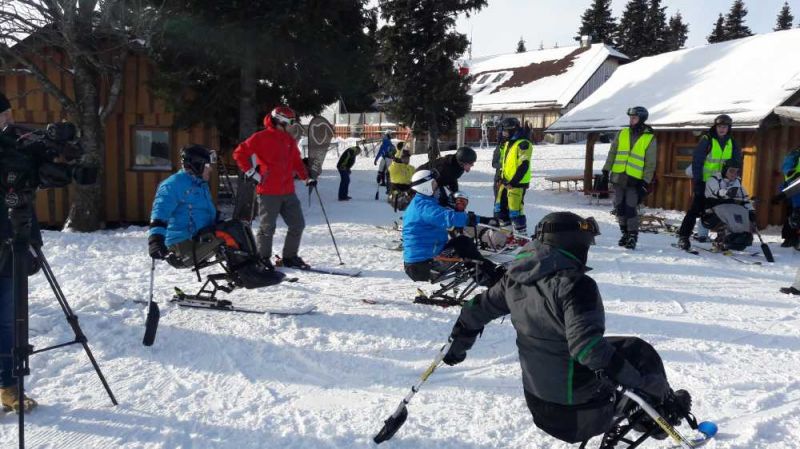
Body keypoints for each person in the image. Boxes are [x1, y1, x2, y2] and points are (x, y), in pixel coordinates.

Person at [442, 212, 692, 444]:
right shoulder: (575, 285)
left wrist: (457, 347)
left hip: (540, 407)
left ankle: (654, 408)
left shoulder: (515, 277)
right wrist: (644, 384)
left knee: (630, 346)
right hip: (578, 415)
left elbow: (474, 311)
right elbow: (588, 350)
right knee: (640, 355)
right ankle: (660, 417)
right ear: (572, 243)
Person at [149, 145, 285, 288]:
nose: (211, 169)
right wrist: (155, 240)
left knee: (239, 225)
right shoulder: (173, 185)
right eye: (208, 165)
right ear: (197, 165)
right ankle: (250, 276)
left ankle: (254, 268)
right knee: (230, 230)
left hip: (198, 239)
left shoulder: (200, 185)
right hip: (182, 248)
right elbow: (159, 212)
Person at [233, 106, 316, 270]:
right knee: (267, 228)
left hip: (288, 191)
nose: (293, 125)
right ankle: (262, 259)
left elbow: (296, 162)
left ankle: (290, 257)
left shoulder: (289, 140)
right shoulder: (261, 137)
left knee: (297, 224)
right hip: (269, 192)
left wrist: (306, 178)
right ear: (281, 121)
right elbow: (239, 153)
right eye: (291, 122)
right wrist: (251, 172)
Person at [0, 92, 39, 412]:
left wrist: (33, 244)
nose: (9, 122)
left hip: (12, 245)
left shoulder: (14, 152)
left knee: (9, 322)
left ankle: (7, 385)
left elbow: (23, 200)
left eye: (10, 115)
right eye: (4, 116)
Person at [402, 170, 499, 286]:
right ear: (425, 187)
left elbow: (451, 213)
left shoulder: (425, 202)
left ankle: (490, 272)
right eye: (434, 184)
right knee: (463, 244)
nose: (437, 187)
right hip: (422, 265)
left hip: (424, 259)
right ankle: (491, 279)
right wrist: (468, 220)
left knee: (461, 242)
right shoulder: (423, 207)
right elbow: (449, 218)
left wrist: (483, 220)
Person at [676, 114, 742, 251]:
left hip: (722, 183)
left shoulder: (732, 142)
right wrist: (698, 181)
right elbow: (697, 161)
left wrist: (735, 179)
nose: (722, 129)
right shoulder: (707, 139)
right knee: (695, 210)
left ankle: (723, 238)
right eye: (719, 126)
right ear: (715, 127)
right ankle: (683, 237)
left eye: (725, 127)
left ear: (729, 128)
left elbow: (736, 162)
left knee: (724, 210)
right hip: (705, 182)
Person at [601, 106, 657, 250]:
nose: (631, 120)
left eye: (634, 118)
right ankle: (624, 233)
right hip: (618, 177)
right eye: (630, 118)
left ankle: (633, 236)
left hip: (635, 180)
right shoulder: (622, 133)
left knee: (630, 208)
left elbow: (651, 162)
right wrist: (606, 169)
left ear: (641, 119)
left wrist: (645, 181)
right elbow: (612, 152)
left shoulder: (649, 137)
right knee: (619, 207)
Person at [702, 159, 755, 251]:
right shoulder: (713, 180)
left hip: (729, 211)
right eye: (731, 171)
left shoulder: (737, 183)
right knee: (728, 210)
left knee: (742, 211)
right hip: (711, 215)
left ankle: (741, 236)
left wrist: (751, 211)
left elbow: (745, 199)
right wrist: (725, 193)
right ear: (725, 170)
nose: (734, 174)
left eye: (736, 172)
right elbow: (713, 193)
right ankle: (724, 238)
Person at [494, 117, 533, 234]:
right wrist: (501, 178)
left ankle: (521, 236)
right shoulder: (508, 143)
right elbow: (504, 164)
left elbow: (524, 165)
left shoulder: (523, 144)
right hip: (505, 182)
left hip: (516, 184)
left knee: (515, 211)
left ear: (512, 130)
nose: (503, 134)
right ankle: (507, 236)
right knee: (500, 210)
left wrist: (514, 181)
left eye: (505, 131)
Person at [779, 147, 800, 249]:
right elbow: (786, 168)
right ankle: (790, 238)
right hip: (792, 187)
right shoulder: (794, 155)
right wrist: (791, 172)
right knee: (793, 213)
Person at [387, 147, 415, 211]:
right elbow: (395, 162)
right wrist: (399, 151)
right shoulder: (395, 167)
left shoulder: (411, 168)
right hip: (396, 190)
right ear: (400, 158)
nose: (407, 159)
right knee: (403, 199)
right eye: (404, 158)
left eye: (408, 158)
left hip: (408, 190)